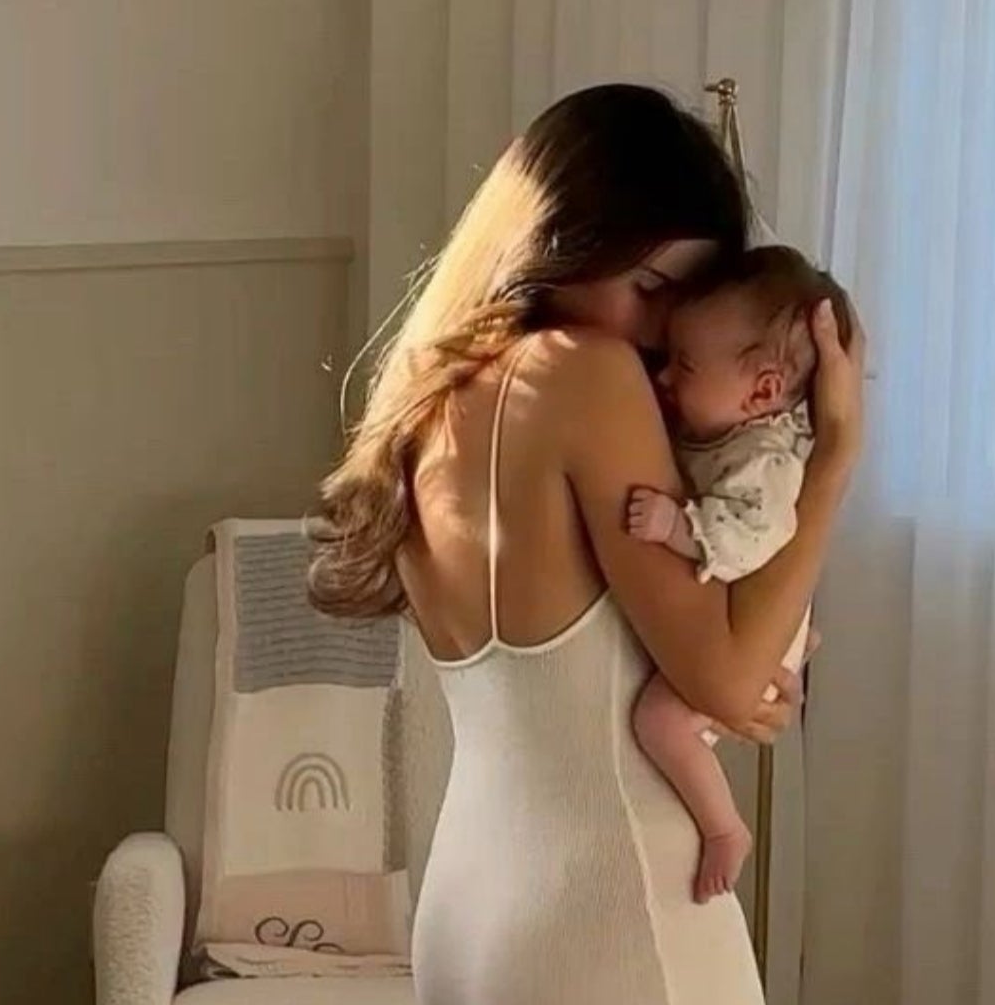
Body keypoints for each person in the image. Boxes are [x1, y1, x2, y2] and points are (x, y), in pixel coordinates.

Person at [308, 83, 863, 1005]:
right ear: (568, 236)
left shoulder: (424, 398)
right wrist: (836, 459)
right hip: (619, 915)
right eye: (650, 289)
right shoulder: (586, 376)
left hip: (470, 911)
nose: (658, 334)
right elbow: (723, 680)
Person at [626, 245, 859, 903]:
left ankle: (725, 827)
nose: (666, 378)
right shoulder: (721, 428)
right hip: (755, 617)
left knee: (661, 722)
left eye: (685, 365)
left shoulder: (764, 460)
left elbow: (754, 538)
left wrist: (678, 528)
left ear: (761, 389)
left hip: (763, 623)